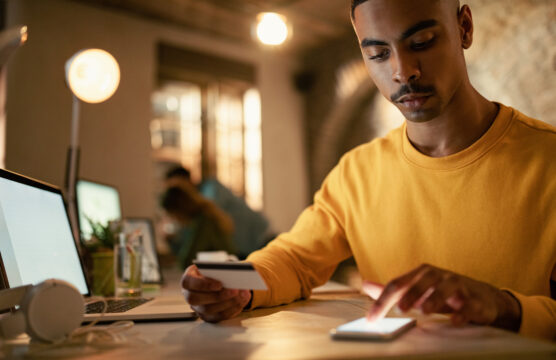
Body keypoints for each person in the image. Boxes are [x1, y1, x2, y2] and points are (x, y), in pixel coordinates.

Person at [180, 0, 556, 340]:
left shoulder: (548, 159)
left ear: (465, 28)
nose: (403, 71)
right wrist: (240, 286)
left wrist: (504, 306)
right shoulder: (356, 173)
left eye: (422, 41)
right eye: (378, 53)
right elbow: (295, 260)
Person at [164, 167, 272, 260]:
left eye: (177, 189)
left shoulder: (209, 193)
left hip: (261, 241)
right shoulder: (201, 210)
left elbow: (188, 255)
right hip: (246, 249)